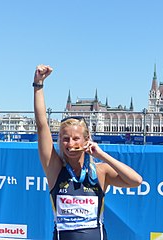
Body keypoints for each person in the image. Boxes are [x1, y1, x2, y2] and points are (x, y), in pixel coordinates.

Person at [33, 64, 143, 240]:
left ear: (86, 140)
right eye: (65, 139)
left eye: (76, 138)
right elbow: (42, 126)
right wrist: (38, 85)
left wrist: (102, 155)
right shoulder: (54, 169)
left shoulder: (100, 171)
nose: (70, 144)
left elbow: (136, 181)